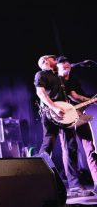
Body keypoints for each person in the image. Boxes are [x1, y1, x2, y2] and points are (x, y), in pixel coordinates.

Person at [34, 55, 93, 197]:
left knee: (72, 147)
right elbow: (40, 93)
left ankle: (74, 186)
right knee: (48, 145)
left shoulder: (59, 78)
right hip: (50, 113)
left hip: (66, 114)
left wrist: (90, 100)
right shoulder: (41, 74)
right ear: (45, 61)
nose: (56, 61)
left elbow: (73, 95)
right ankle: (37, 180)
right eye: (53, 59)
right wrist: (54, 107)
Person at [56, 56, 97, 193]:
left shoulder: (73, 80)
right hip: (66, 118)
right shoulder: (56, 81)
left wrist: (90, 100)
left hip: (80, 115)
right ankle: (74, 185)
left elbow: (75, 96)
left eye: (68, 66)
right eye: (63, 67)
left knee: (90, 148)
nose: (66, 69)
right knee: (70, 149)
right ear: (57, 68)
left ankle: (96, 180)